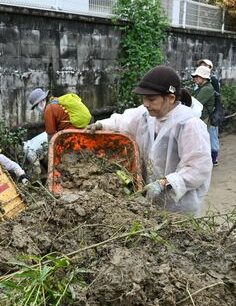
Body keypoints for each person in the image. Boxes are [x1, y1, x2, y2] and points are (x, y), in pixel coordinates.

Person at [87, 66, 212, 216]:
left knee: (175, 234)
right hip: (150, 196)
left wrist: (164, 183)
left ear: (171, 98)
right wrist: (101, 125)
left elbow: (198, 168)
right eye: (144, 98)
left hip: (179, 205)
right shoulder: (147, 115)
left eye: (151, 99)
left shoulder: (189, 124)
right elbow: (124, 121)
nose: (146, 103)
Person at [193, 62, 220, 166]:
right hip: (201, 117)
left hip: (204, 118)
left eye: (197, 77)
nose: (195, 79)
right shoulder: (202, 87)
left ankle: (206, 161)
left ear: (203, 77)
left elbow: (195, 102)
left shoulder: (207, 89)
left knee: (203, 140)